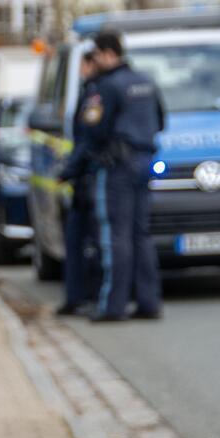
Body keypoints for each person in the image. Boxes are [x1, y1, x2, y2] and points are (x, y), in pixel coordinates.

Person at [78, 29, 166, 322]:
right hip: (145, 161)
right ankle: (148, 302)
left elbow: (93, 130)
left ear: (106, 53)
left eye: (97, 55)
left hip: (117, 166)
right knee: (141, 234)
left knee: (115, 235)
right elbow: (161, 121)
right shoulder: (147, 81)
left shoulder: (107, 87)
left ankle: (112, 306)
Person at [55, 53, 103, 315]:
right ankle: (76, 298)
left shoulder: (96, 94)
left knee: (90, 242)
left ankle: (90, 297)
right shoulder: (90, 93)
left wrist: (67, 171)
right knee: (75, 240)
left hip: (90, 179)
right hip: (83, 180)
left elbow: (87, 141)